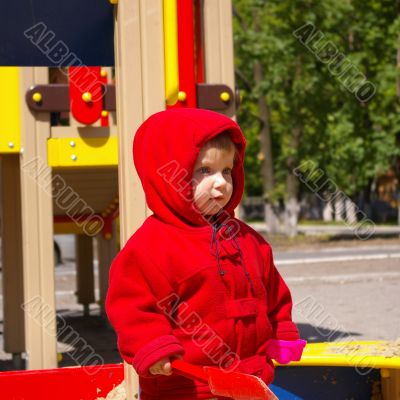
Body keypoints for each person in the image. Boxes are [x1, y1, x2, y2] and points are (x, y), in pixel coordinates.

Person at [106, 108, 305, 400]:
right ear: (169, 173)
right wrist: (154, 347)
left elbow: (273, 293)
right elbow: (134, 306)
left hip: (253, 382)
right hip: (188, 387)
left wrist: (281, 331)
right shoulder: (152, 247)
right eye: (204, 171)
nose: (221, 182)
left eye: (227, 170)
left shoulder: (250, 241)